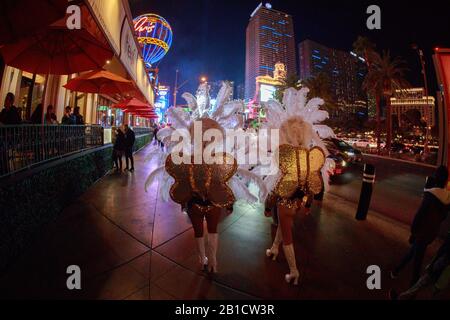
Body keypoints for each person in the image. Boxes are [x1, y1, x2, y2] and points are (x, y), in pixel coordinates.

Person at [391, 165, 450, 286]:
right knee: (414, 251)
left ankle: (410, 292)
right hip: (432, 233)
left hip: (421, 233)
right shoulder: (447, 198)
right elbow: (443, 217)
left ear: (436, 177)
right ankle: (396, 270)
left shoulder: (430, 195)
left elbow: (419, 216)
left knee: (417, 265)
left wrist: (413, 232)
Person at [390, 231, 450, 300]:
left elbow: (445, 255)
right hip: (443, 278)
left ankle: (400, 298)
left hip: (439, 271)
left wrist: (432, 266)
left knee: (419, 285)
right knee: (428, 290)